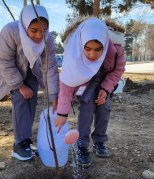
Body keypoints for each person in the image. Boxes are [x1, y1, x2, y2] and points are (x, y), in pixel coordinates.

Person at [0, 5, 59, 161]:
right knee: (21, 99)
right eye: (34, 31)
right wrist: (20, 86)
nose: (39, 36)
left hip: (30, 69)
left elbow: (50, 66)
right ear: (25, 26)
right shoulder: (10, 32)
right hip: (5, 71)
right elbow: (5, 61)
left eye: (43, 31)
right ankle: (19, 144)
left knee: (32, 101)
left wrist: (54, 94)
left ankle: (26, 140)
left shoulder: (47, 39)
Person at [54, 18, 126, 166]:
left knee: (104, 109)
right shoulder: (73, 54)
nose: (92, 55)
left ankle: (99, 141)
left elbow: (117, 70)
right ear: (81, 44)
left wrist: (106, 89)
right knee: (86, 110)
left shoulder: (116, 50)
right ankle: (82, 145)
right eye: (88, 49)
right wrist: (62, 114)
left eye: (98, 49)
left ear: (105, 44)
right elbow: (66, 86)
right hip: (85, 86)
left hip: (104, 83)